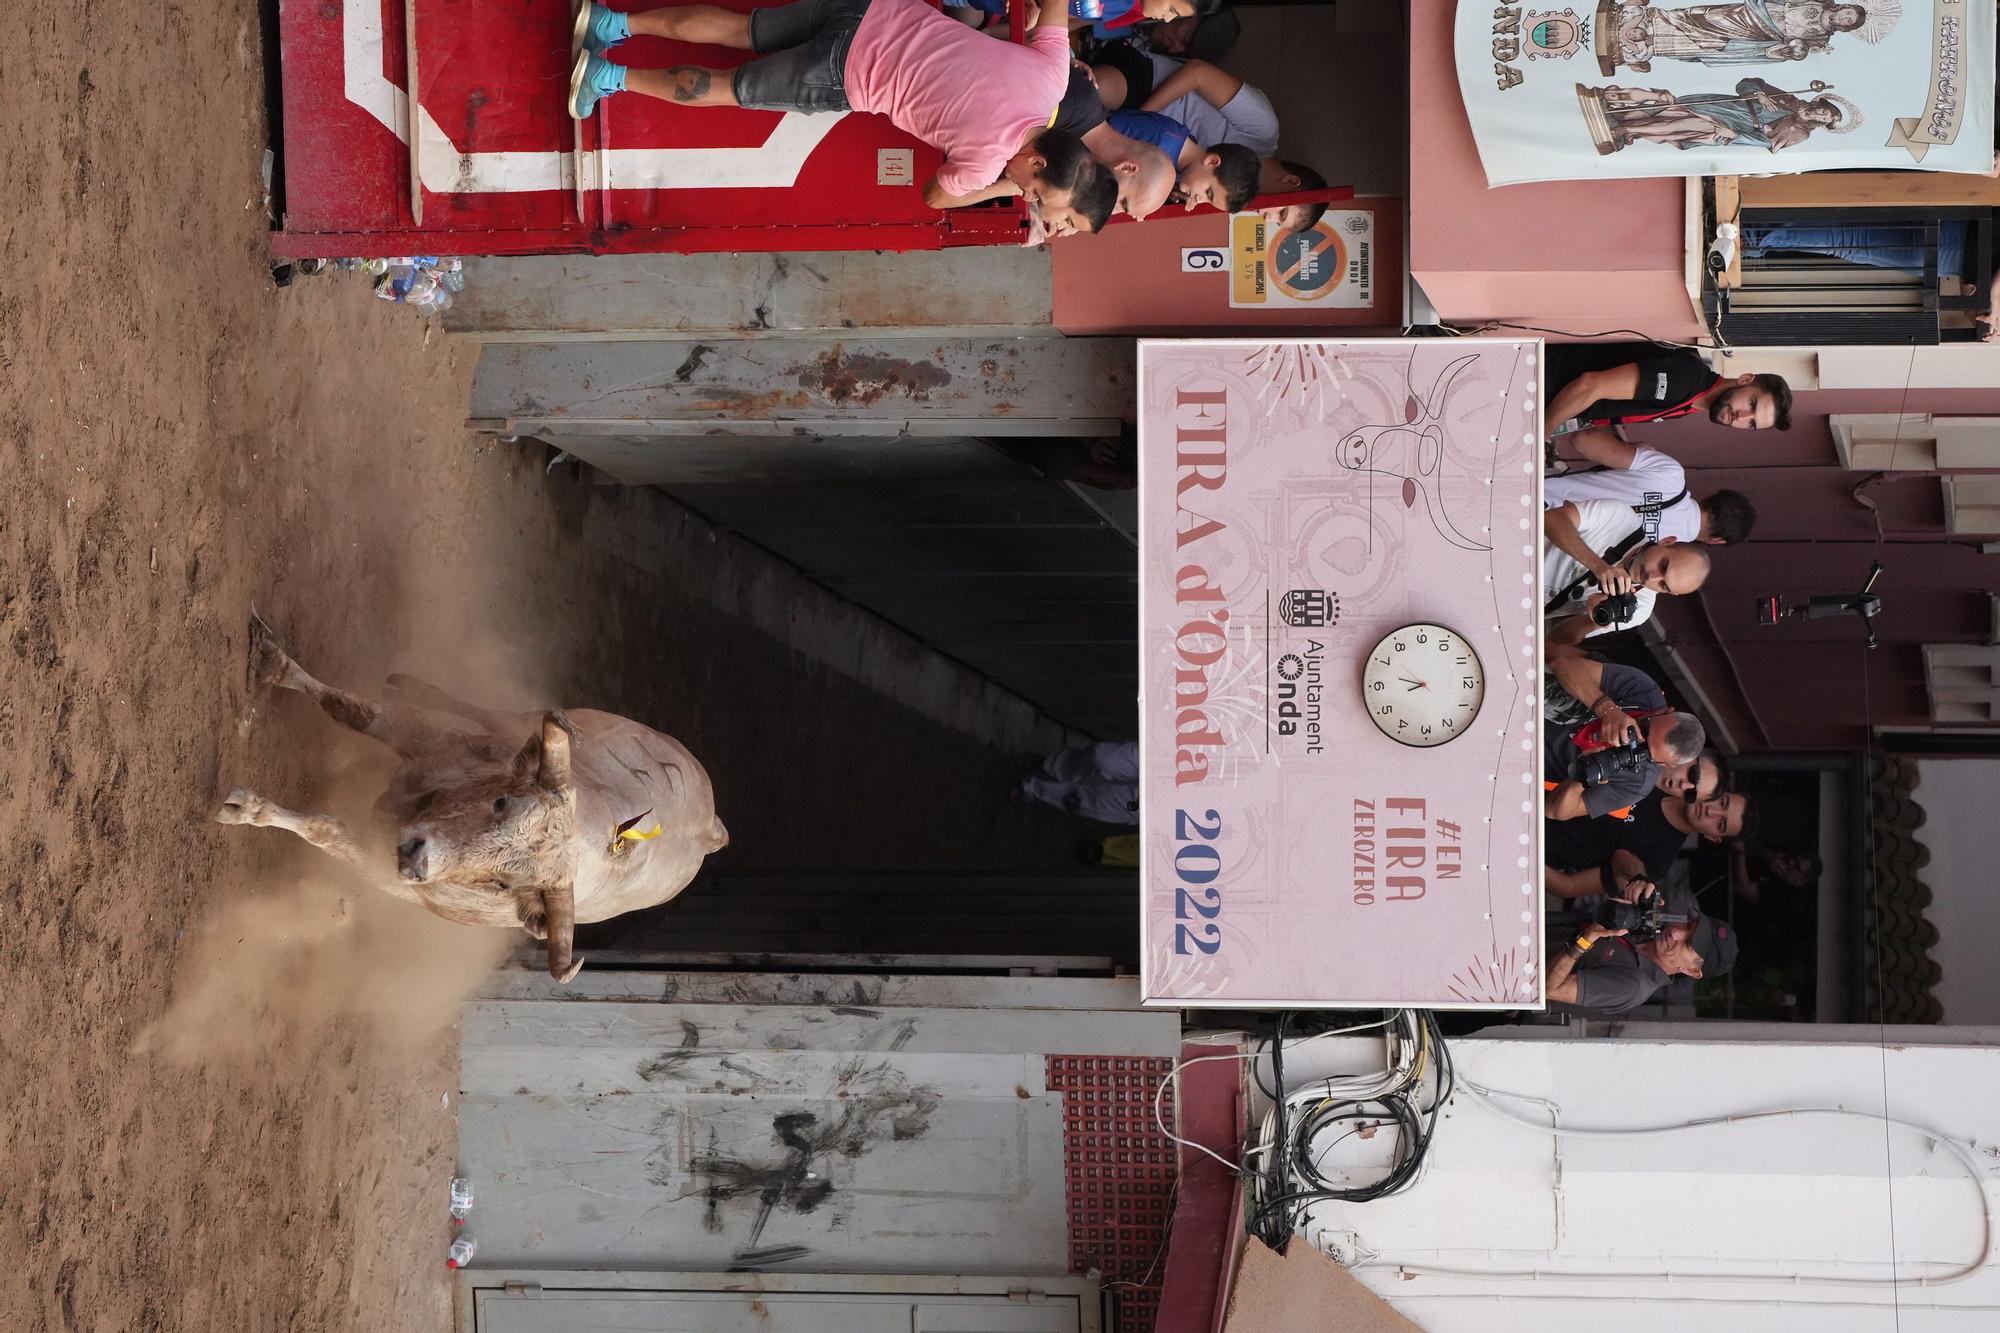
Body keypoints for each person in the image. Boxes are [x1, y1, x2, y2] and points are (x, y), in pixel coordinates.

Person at [567, 0, 1114, 224]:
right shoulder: (986, 162)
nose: (1030, 199)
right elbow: (934, 197)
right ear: (1039, 163)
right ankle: (607, 77)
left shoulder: (1052, 76)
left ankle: (611, 22)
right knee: (726, 88)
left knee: (743, 27)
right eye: (1039, 195)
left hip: (873, 11)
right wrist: (1000, 187)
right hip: (847, 76)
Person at [1544, 643, 1705, 820]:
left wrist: (1581, 778)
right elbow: (1562, 664)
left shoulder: (1638, 783)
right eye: (1644, 728)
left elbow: (1553, 811)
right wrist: (1607, 709)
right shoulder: (1644, 693)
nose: (1634, 740)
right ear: (1664, 712)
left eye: (1645, 753)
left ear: (1665, 764)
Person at [1546, 429, 1758, 548]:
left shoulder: (1670, 474)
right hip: (1542, 550)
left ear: (1710, 498)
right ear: (1717, 540)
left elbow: (1583, 441)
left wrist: (1633, 450)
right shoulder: (1664, 559)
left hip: (1536, 496)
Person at [1543, 498, 1713, 642]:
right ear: (1666, 541)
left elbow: (1556, 641)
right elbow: (1551, 519)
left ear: (1671, 593)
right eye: (1663, 565)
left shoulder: (1639, 607)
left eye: (1663, 585)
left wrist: (1593, 620)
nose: (1651, 578)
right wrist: (1598, 566)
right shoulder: (1621, 517)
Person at [1546, 786, 1752, 899]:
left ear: (1713, 837)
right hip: (1535, 779)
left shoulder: (1657, 862)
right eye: (1722, 802)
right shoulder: (1664, 776)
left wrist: (1523, 854)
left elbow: (1568, 887)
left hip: (1533, 840)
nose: (1711, 811)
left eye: (1720, 823)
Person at [1545, 341, 1792, 433]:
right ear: (1745, 379)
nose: (1743, 417)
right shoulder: (1685, 380)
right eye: (1751, 404)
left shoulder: (1692, 404)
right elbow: (1590, 385)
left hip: (1544, 396)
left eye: (1751, 424)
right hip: (1539, 376)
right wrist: (1541, 435)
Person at [1544, 904, 1738, 1014]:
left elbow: (1549, 988)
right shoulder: (1641, 927)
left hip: (1515, 971)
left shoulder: (1634, 986)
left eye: (1687, 943)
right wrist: (1636, 885)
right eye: (1687, 925)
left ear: (1691, 971)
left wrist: (1587, 939)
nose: (1676, 933)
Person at [1104, 109, 1260, 211]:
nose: (1199, 200)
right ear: (1211, 161)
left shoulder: (1180, 176)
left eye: (1208, 201)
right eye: (1208, 193)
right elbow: (1101, 133)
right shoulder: (1163, 136)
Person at [1018, 741, 1139, 824]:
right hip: (1155, 762)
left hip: (1155, 807)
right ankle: (1051, 767)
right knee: (1102, 759)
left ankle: (1036, 791)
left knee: (1099, 800)